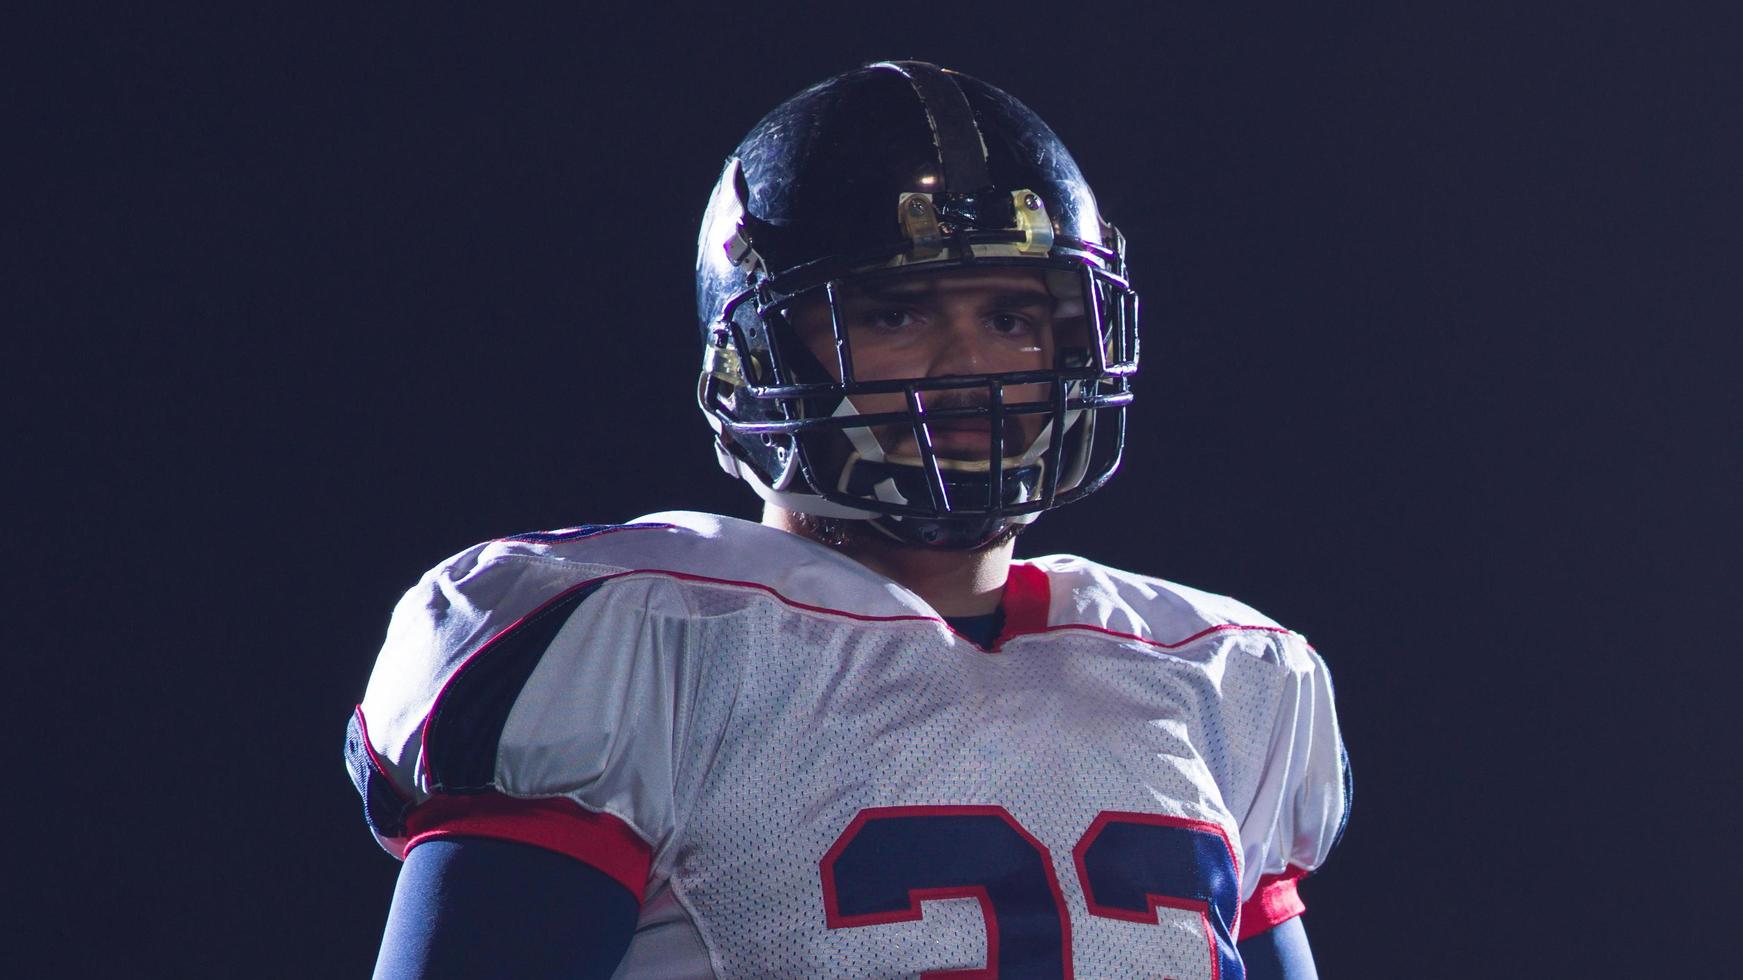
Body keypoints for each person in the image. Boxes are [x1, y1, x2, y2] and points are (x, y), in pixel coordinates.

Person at [345, 60, 1348, 979]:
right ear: (764, 348)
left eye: (1008, 317)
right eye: (895, 316)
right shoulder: (649, 642)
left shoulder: (1222, 681)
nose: (966, 367)